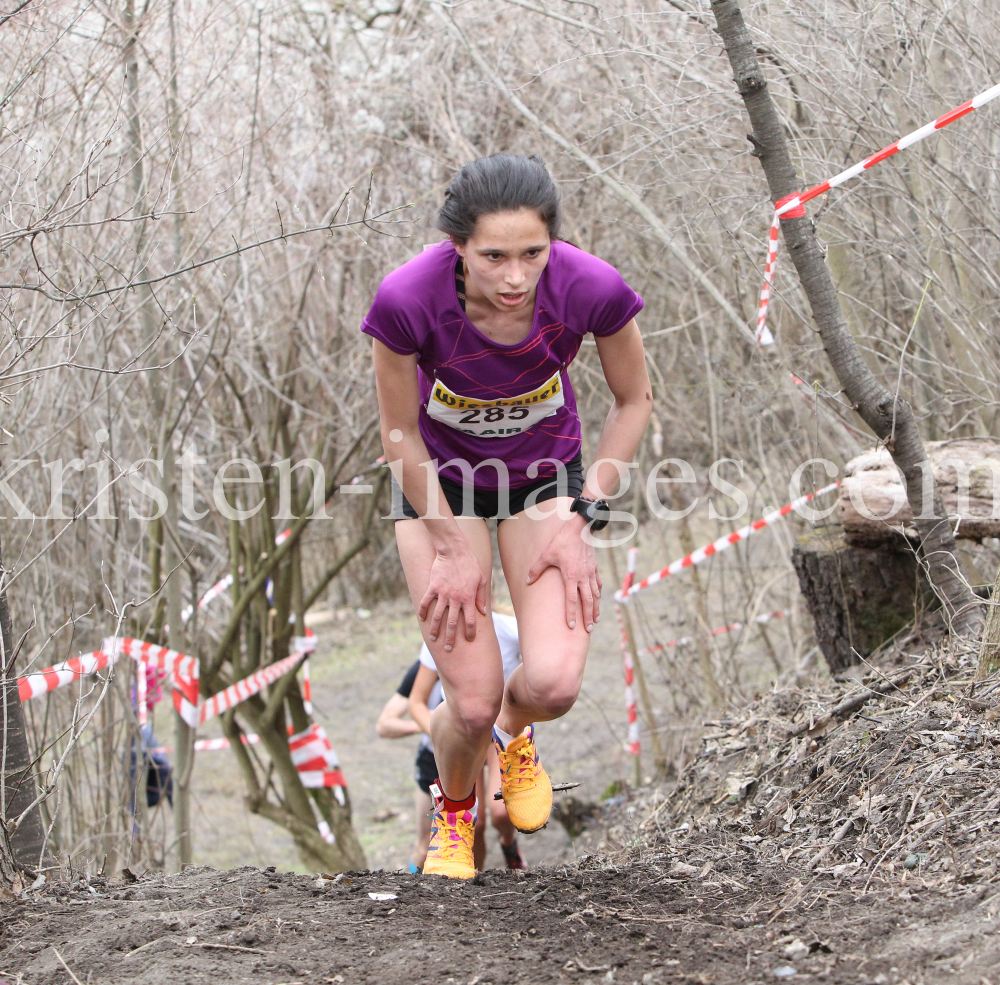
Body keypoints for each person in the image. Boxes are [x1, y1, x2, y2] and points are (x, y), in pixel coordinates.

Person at [363, 153, 651, 879]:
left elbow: (634, 401)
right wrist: (453, 546)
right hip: (440, 487)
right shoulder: (407, 298)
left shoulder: (590, 286)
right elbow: (397, 432)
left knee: (551, 682)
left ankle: (513, 737)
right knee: (468, 701)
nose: (516, 275)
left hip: (544, 481)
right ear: (457, 245)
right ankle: (455, 814)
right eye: (494, 256)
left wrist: (583, 513)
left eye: (532, 253)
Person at [409, 610, 528, 871]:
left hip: (499, 729)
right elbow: (416, 701)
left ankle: (509, 844)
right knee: (475, 822)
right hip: (464, 729)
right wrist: (444, 740)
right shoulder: (437, 635)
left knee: (500, 811)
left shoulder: (508, 629)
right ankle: (473, 884)